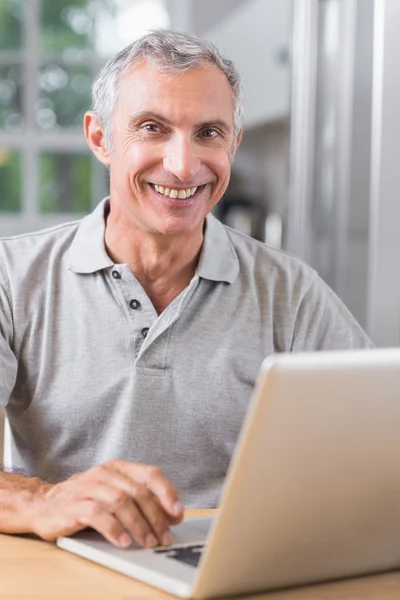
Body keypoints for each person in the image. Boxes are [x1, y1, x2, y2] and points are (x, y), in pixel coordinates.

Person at [0, 30, 372, 550]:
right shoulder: (12, 277)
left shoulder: (291, 292)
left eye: (209, 133)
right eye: (152, 128)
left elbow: (381, 452)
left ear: (233, 143)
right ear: (101, 139)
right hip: (63, 572)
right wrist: (43, 501)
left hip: (227, 569)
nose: (182, 165)